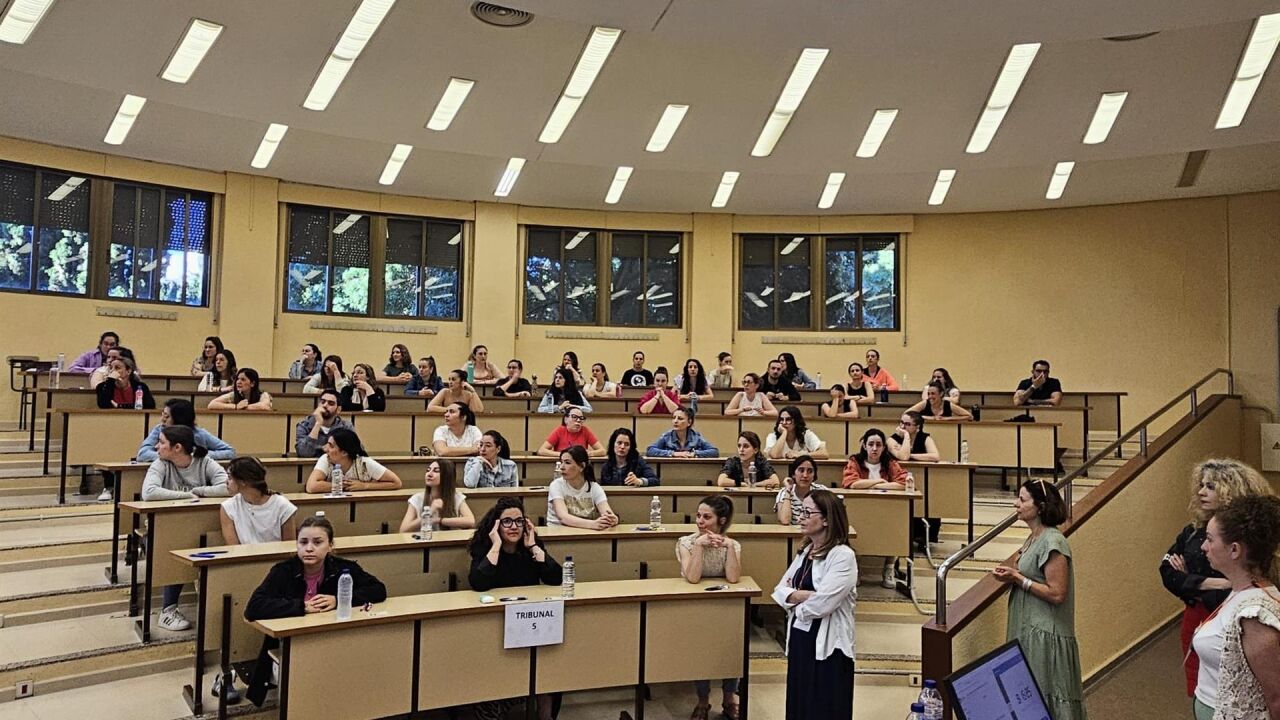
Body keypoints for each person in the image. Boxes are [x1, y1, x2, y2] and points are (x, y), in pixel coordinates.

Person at [243, 516, 387, 707]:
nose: (309, 548)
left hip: (333, 641)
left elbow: (378, 590)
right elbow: (253, 607)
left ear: (330, 545)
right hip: (291, 646)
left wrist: (339, 600)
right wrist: (300, 606)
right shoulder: (283, 571)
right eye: (303, 542)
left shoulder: (344, 569)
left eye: (317, 542)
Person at [1162, 459, 1272, 698]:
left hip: (1232, 616)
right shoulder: (1193, 531)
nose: (1201, 492)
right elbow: (1167, 572)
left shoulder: (1251, 536)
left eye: (1210, 486)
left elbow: (1249, 581)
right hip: (1195, 617)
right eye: (1201, 485)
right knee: (1198, 687)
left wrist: (1189, 580)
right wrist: (1216, 583)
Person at [991, 480, 1085, 720]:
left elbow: (1057, 593)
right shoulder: (1033, 538)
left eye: (1022, 500)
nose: (1016, 504)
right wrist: (1012, 576)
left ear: (1040, 507)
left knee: (1046, 698)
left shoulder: (1053, 541)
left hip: (1045, 636)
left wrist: (1018, 578)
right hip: (1028, 630)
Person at [467, 497, 562, 720]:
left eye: (519, 521)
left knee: (549, 664)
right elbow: (478, 582)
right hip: (496, 625)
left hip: (529, 622)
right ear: (496, 525)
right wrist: (496, 546)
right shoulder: (485, 547)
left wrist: (533, 547)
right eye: (507, 522)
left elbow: (556, 577)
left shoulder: (531, 547)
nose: (514, 527)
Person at [1192, 494, 1280, 720]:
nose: (1203, 547)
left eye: (1210, 539)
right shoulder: (1239, 591)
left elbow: (1277, 697)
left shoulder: (1254, 614)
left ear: (1234, 550)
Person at [772, 490, 857, 720]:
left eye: (808, 513)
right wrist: (802, 596)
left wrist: (795, 604)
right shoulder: (806, 550)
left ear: (827, 519)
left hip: (829, 645)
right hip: (801, 638)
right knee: (800, 702)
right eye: (801, 511)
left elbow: (823, 605)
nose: (801, 517)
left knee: (824, 706)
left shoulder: (842, 556)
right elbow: (779, 590)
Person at [142, 425, 229, 632]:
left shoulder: (205, 462)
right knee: (175, 546)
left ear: (177, 447)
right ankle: (168, 610)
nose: (156, 447)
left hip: (197, 527)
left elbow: (228, 487)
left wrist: (200, 490)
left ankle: (215, 607)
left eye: (162, 442)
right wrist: (188, 495)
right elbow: (149, 492)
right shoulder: (160, 463)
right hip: (164, 529)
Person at [677, 495, 743, 720]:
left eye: (707, 517)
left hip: (725, 606)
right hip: (696, 605)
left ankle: (729, 698)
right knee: (701, 651)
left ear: (721, 521)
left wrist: (729, 546)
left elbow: (733, 578)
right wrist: (699, 545)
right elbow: (693, 577)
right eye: (698, 516)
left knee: (730, 648)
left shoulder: (733, 544)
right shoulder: (686, 542)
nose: (700, 521)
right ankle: (703, 701)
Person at [842, 428, 910, 588]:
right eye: (871, 444)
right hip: (861, 509)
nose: (874, 448)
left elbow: (903, 483)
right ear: (864, 445)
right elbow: (851, 483)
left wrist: (874, 485)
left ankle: (889, 568)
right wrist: (880, 482)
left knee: (896, 525)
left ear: (884, 447)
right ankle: (856, 567)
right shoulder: (855, 461)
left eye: (878, 445)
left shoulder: (890, 463)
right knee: (856, 526)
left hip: (886, 510)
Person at [219, 457, 297, 545]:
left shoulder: (283, 506)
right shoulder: (228, 507)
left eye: (230, 477)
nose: (226, 482)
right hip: (243, 554)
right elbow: (233, 548)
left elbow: (289, 547)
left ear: (243, 481)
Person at [304, 428, 402, 493]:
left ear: (344, 452)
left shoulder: (364, 463)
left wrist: (364, 486)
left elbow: (396, 482)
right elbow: (311, 486)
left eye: (331, 446)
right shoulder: (326, 459)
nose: (326, 449)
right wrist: (342, 486)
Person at [137, 399, 236, 462]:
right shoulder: (159, 429)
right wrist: (172, 456)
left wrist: (197, 455)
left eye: (166, 416)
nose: (162, 419)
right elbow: (142, 454)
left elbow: (230, 452)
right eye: (162, 414)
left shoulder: (199, 433)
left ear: (179, 419)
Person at [546, 446, 618, 529]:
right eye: (561, 462)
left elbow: (606, 512)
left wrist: (612, 519)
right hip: (558, 531)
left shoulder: (594, 487)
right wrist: (592, 524)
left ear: (582, 466)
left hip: (585, 532)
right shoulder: (556, 485)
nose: (562, 467)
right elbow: (563, 517)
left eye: (567, 463)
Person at [399, 459, 475, 532]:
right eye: (428, 470)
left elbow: (470, 521)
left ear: (446, 476)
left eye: (436, 471)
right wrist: (429, 512)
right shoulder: (417, 498)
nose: (429, 474)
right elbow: (403, 529)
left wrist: (440, 520)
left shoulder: (456, 497)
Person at [294, 389, 354, 457]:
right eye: (322, 402)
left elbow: (356, 449)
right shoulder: (304, 425)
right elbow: (304, 452)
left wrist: (320, 450)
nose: (325, 405)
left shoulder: (345, 426)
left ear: (338, 410)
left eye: (331, 403)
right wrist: (318, 423)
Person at [645, 408, 719, 458]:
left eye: (680, 419)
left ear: (689, 422)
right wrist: (673, 453)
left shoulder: (696, 436)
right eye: (674, 418)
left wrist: (694, 454)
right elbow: (650, 450)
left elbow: (714, 451)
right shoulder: (667, 436)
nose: (675, 421)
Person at [776, 455, 828, 526]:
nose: (805, 475)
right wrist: (788, 491)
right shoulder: (784, 492)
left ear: (814, 476)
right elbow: (785, 520)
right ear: (793, 474)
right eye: (801, 470)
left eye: (810, 471)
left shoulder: (822, 490)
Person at [765, 406, 829, 460]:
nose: (784, 423)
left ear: (796, 421)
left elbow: (824, 453)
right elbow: (774, 455)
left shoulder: (806, 434)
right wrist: (784, 433)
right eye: (781, 419)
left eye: (788, 419)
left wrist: (801, 455)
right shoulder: (772, 436)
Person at [536, 407, 605, 457]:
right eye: (574, 417)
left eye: (581, 418)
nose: (578, 420)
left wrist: (590, 453)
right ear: (566, 419)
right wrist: (563, 454)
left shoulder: (585, 430)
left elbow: (602, 451)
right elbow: (541, 451)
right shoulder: (560, 430)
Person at [208, 369, 273, 410]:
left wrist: (244, 407)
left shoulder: (263, 395)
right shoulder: (234, 394)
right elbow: (212, 404)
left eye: (243, 379)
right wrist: (235, 406)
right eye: (237, 379)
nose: (238, 382)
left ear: (252, 383)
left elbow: (265, 406)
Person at [908, 382, 973, 421]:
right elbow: (907, 413)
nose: (930, 396)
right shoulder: (925, 403)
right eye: (928, 394)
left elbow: (969, 416)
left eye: (933, 394)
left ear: (941, 394)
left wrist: (947, 419)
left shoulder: (948, 404)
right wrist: (930, 418)